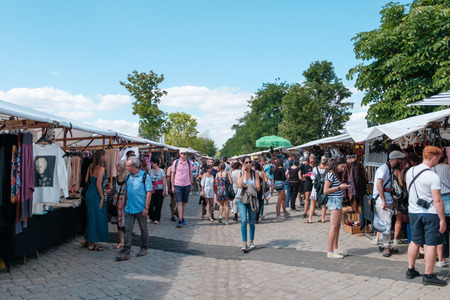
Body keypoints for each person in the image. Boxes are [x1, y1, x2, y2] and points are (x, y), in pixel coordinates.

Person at [405, 146, 447, 286]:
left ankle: (410, 269)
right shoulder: (433, 176)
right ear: (434, 158)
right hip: (430, 213)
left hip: (414, 211)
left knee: (415, 241)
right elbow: (437, 200)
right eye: (438, 159)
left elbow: (409, 190)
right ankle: (428, 275)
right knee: (431, 244)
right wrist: (442, 219)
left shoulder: (410, 171)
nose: (438, 161)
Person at [116, 157, 152, 261]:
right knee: (127, 229)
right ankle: (127, 251)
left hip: (141, 208)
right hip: (129, 208)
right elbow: (127, 192)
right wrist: (125, 205)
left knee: (143, 228)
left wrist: (146, 207)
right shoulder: (128, 177)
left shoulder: (145, 176)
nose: (126, 167)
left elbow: (149, 192)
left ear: (134, 166)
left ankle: (144, 247)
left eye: (128, 166)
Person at [373, 150, 405, 257]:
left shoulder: (388, 169)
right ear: (396, 159)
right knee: (386, 223)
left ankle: (384, 243)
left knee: (385, 223)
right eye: (400, 160)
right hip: (383, 200)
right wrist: (383, 200)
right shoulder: (384, 169)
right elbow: (379, 184)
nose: (400, 162)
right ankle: (386, 246)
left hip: (386, 199)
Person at [324, 156, 350, 259]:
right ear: (336, 165)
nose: (343, 169)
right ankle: (330, 251)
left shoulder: (335, 174)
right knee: (333, 227)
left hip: (337, 201)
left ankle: (335, 248)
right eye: (342, 167)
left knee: (337, 226)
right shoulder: (330, 174)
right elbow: (325, 190)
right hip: (334, 201)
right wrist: (339, 187)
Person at [83, 149, 109, 251]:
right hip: (96, 194)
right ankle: (91, 242)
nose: (106, 157)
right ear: (101, 157)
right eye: (105, 155)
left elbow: (86, 180)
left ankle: (86, 238)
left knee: (91, 216)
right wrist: (102, 197)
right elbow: (99, 184)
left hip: (90, 192)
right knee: (96, 217)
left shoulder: (90, 166)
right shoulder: (101, 168)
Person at [237, 156, 260, 251]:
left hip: (252, 199)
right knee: (243, 221)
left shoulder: (255, 174)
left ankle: (251, 241)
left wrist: (249, 186)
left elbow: (258, 188)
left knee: (251, 221)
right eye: (246, 162)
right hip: (242, 199)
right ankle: (244, 243)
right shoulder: (240, 173)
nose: (248, 164)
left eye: (250, 162)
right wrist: (243, 173)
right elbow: (239, 185)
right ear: (243, 163)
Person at [434, 154, 450, 268]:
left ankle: (441, 253)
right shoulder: (447, 168)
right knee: (448, 223)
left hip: (437, 197)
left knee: (440, 225)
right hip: (447, 196)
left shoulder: (432, 168)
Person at [171, 152, 193, 228]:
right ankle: (180, 219)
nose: (185, 155)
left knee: (184, 202)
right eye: (183, 153)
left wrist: (191, 184)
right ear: (180, 154)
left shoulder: (189, 162)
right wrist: (172, 186)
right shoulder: (176, 162)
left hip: (187, 184)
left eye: (186, 154)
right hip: (178, 185)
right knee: (179, 202)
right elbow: (172, 174)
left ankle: (182, 217)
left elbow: (190, 173)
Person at [108, 159, 127, 249]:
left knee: (122, 221)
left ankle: (124, 241)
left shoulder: (127, 177)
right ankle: (121, 241)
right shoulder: (116, 177)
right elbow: (114, 189)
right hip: (116, 200)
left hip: (123, 200)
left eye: (118, 165)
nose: (116, 166)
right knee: (118, 221)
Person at [148, 157, 167, 224]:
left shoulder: (161, 171)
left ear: (156, 163)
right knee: (150, 204)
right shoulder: (150, 171)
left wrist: (164, 190)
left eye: (152, 163)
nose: (151, 164)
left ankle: (157, 218)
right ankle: (151, 216)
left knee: (158, 204)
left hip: (159, 189)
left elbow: (164, 181)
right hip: (151, 189)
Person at [310, 156, 328, 223]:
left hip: (316, 188)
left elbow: (312, 177)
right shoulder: (327, 169)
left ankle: (310, 219)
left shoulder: (315, 168)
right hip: (324, 187)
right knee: (324, 204)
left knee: (313, 203)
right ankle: (322, 218)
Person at [166, 158, 177, 222]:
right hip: (173, 186)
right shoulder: (170, 168)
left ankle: (176, 211)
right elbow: (168, 179)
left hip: (179, 186)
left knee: (180, 201)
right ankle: (172, 215)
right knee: (173, 202)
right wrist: (169, 188)